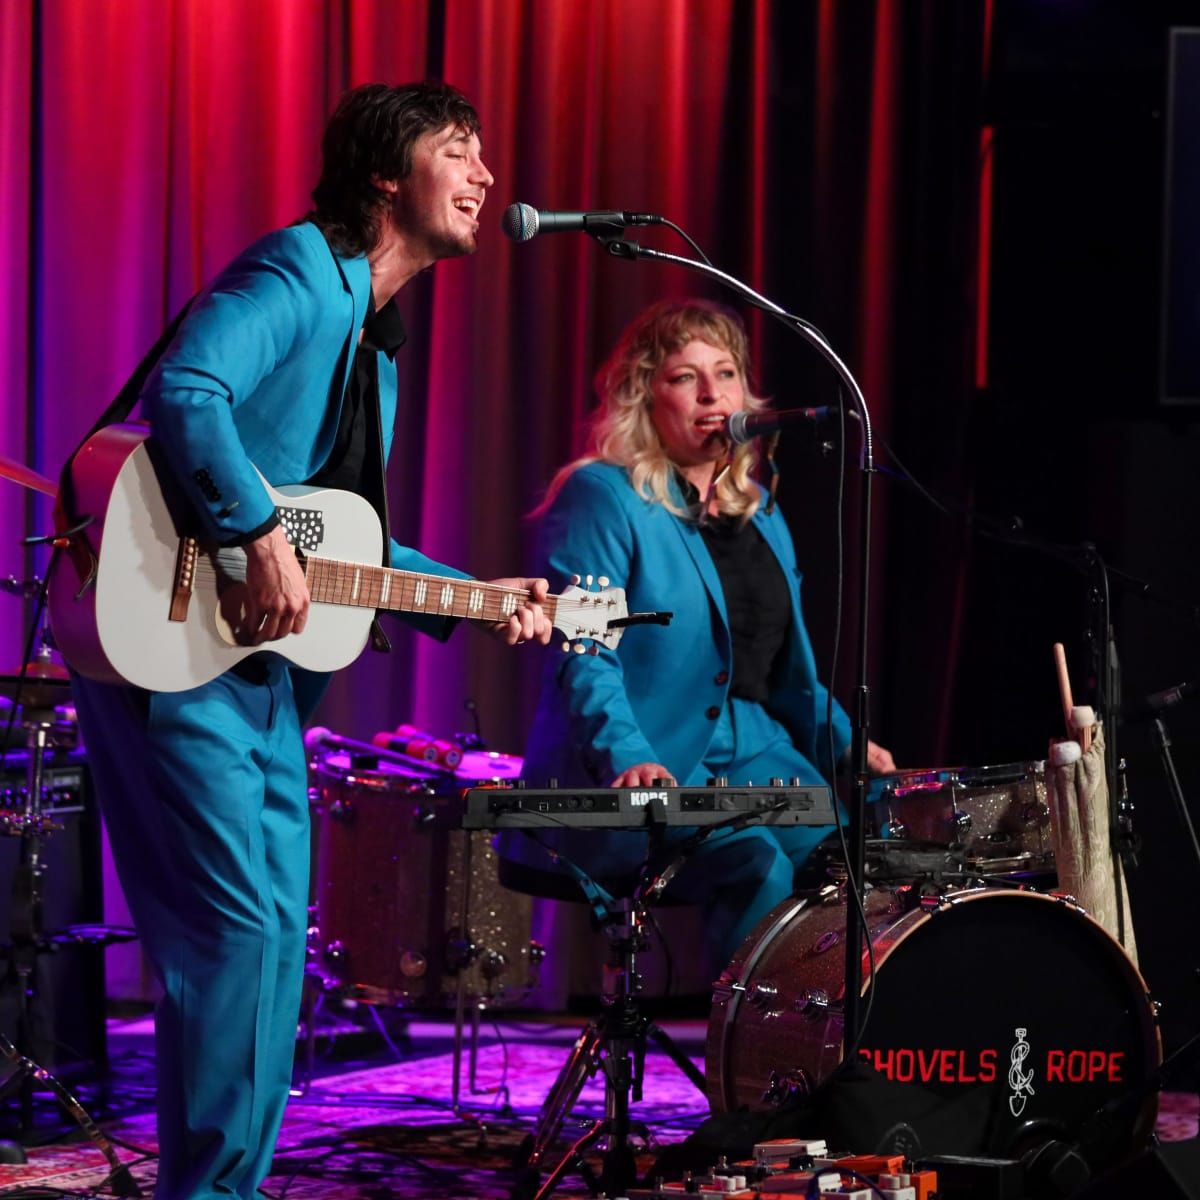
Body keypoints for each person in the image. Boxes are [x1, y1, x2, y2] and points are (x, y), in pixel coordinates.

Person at [62, 82, 550, 1200]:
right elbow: (189, 391)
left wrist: (481, 595)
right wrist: (247, 527)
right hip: (178, 654)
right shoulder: (299, 270)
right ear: (386, 174)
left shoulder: (372, 338)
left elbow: (341, 540)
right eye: (458, 152)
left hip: (256, 679)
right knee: (235, 943)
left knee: (276, 947)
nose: (484, 177)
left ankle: (223, 1185)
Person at [503, 298, 894, 973]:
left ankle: (827, 1055)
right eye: (686, 377)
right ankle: (747, 1066)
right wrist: (625, 754)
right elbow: (585, 649)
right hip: (650, 749)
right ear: (644, 396)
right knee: (756, 859)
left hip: (757, 746)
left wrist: (850, 746)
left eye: (727, 373)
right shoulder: (604, 494)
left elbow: (786, 674)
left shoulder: (762, 511)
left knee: (863, 856)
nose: (713, 393)